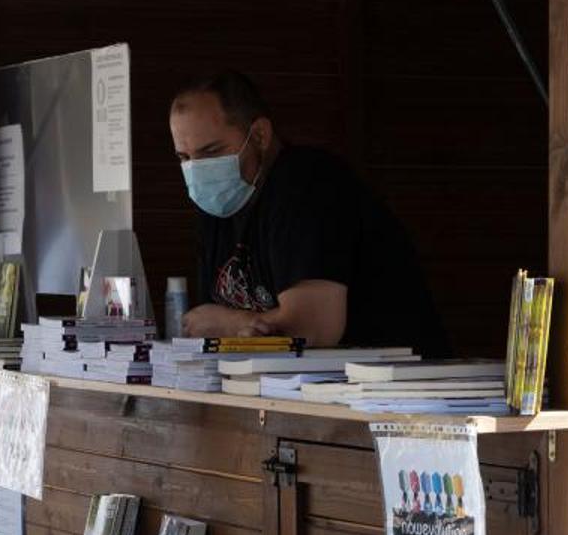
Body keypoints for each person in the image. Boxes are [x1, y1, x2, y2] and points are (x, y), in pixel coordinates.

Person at [169, 70, 449, 355]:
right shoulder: (218, 207)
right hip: (294, 389)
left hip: (394, 386)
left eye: (212, 152)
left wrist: (231, 324)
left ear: (260, 135)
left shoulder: (307, 185)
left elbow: (310, 329)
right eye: (184, 158)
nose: (197, 170)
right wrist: (235, 327)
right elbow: (205, 327)